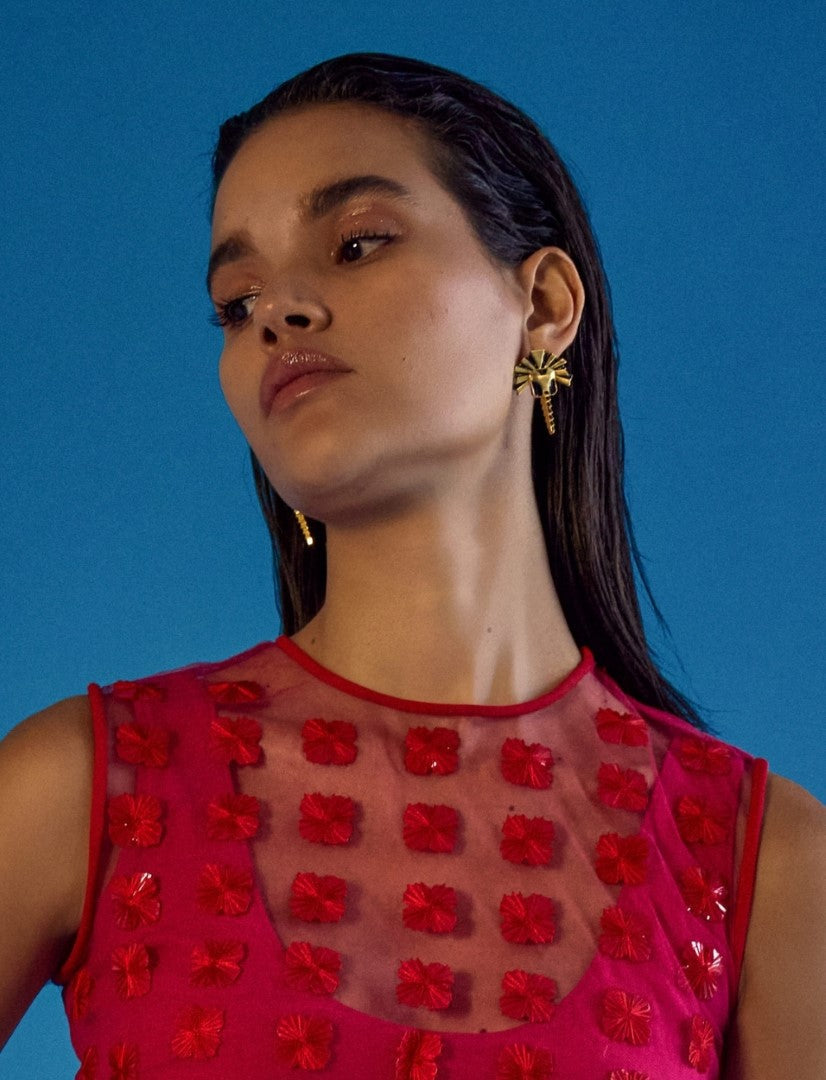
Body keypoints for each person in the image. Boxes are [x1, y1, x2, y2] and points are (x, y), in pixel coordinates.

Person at [0, 51, 823, 1080]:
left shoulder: (766, 864)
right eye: (234, 298)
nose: (276, 311)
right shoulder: (75, 791)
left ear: (545, 304)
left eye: (355, 243)